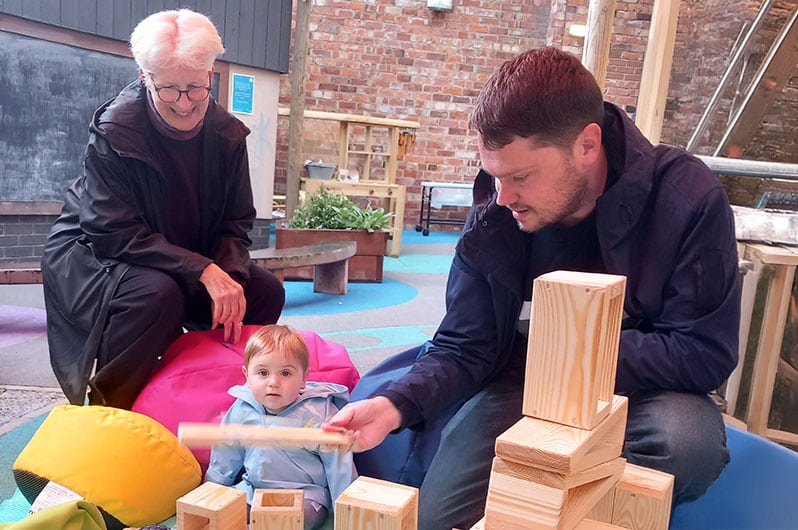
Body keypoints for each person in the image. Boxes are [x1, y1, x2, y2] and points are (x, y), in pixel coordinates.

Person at [326, 46, 740, 529]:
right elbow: (465, 344)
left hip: (649, 393)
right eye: (495, 175)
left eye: (521, 176)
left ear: (588, 145)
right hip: (522, 385)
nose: (505, 197)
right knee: (439, 517)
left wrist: (568, 356)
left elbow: (703, 351)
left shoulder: (688, 198)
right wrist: (394, 405)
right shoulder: (495, 215)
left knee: (684, 445)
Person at [41, 9, 284, 410]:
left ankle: (223, 397)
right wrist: (202, 270)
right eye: (169, 89)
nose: (185, 104)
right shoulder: (114, 129)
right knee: (156, 293)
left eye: (195, 87)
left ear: (210, 76)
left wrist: (228, 278)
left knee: (259, 291)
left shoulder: (227, 134)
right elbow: (111, 229)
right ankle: (112, 407)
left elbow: (235, 222)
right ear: (144, 77)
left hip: (180, 249)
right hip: (94, 251)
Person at [205, 325, 357, 530]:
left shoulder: (319, 413)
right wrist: (212, 490)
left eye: (286, 373)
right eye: (263, 373)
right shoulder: (242, 409)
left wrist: (347, 510)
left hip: (305, 497)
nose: (274, 382)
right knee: (218, 514)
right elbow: (225, 452)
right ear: (247, 376)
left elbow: (339, 465)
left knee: (285, 523)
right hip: (252, 491)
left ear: (303, 378)